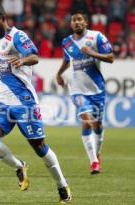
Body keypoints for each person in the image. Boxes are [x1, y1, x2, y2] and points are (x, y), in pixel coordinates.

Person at [0, 3, 72, 204]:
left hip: (24, 102)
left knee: (39, 146)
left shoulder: (17, 36)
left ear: (3, 19)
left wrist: (22, 61)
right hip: (1, 101)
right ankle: (18, 166)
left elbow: (35, 56)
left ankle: (62, 185)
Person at [56, 11, 114, 174]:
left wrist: (92, 53)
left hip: (97, 89)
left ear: (86, 22)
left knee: (97, 125)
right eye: (74, 20)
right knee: (87, 121)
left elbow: (110, 57)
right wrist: (59, 73)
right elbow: (67, 61)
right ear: (71, 24)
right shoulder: (66, 42)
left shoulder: (97, 37)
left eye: (80, 19)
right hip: (77, 89)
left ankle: (98, 153)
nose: (77, 22)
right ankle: (94, 162)